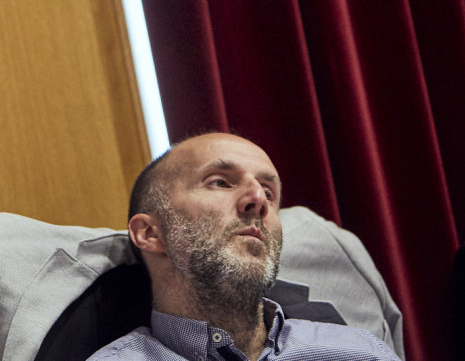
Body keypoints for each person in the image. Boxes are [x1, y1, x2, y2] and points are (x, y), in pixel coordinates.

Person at [85, 132, 401, 360]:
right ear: (150, 233)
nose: (258, 199)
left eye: (269, 192)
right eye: (219, 182)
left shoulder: (360, 351)